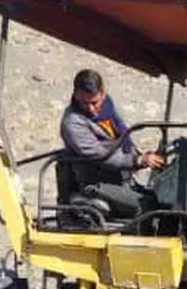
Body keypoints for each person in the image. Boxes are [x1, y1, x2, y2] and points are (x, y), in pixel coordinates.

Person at [59, 68, 165, 220]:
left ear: (103, 94)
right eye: (84, 102)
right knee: (149, 209)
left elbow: (123, 139)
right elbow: (99, 154)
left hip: (119, 179)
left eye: (95, 102)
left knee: (159, 200)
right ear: (75, 95)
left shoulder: (109, 109)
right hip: (96, 183)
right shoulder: (73, 122)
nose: (91, 108)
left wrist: (142, 156)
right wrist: (136, 160)